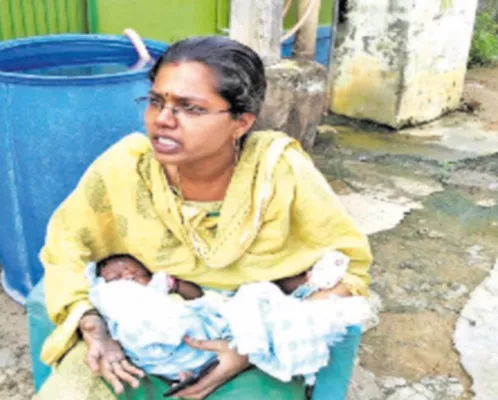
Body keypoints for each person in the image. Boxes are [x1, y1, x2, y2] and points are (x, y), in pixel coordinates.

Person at [35, 36, 372, 400]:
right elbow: (66, 247)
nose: (162, 120)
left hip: (256, 338)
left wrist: (245, 350)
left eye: (190, 108)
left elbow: (349, 271)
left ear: (240, 123)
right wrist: (94, 327)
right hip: (139, 332)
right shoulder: (125, 169)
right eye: (155, 101)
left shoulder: (278, 175)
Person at [86, 253, 370, 386]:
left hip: (214, 323)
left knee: (257, 299)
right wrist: (94, 324)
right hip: (170, 343)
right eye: (115, 278)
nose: (126, 278)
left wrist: (174, 285)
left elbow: (198, 297)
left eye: (134, 273)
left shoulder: (161, 283)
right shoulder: (120, 171)